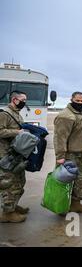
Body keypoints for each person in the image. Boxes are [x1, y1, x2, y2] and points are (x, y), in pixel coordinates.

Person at [54, 91, 82, 213]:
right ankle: (60, 206)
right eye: (77, 101)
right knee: (65, 181)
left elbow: (78, 126)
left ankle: (75, 203)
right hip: (70, 155)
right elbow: (60, 138)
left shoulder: (81, 113)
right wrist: (60, 156)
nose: (80, 103)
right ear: (71, 100)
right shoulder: (66, 116)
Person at [0, 91, 27, 223]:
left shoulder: (16, 113)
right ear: (15, 100)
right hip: (5, 155)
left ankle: (13, 205)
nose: (24, 102)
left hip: (15, 153)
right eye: (23, 100)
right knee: (9, 183)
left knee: (20, 181)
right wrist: (17, 132)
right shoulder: (4, 114)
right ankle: (7, 213)